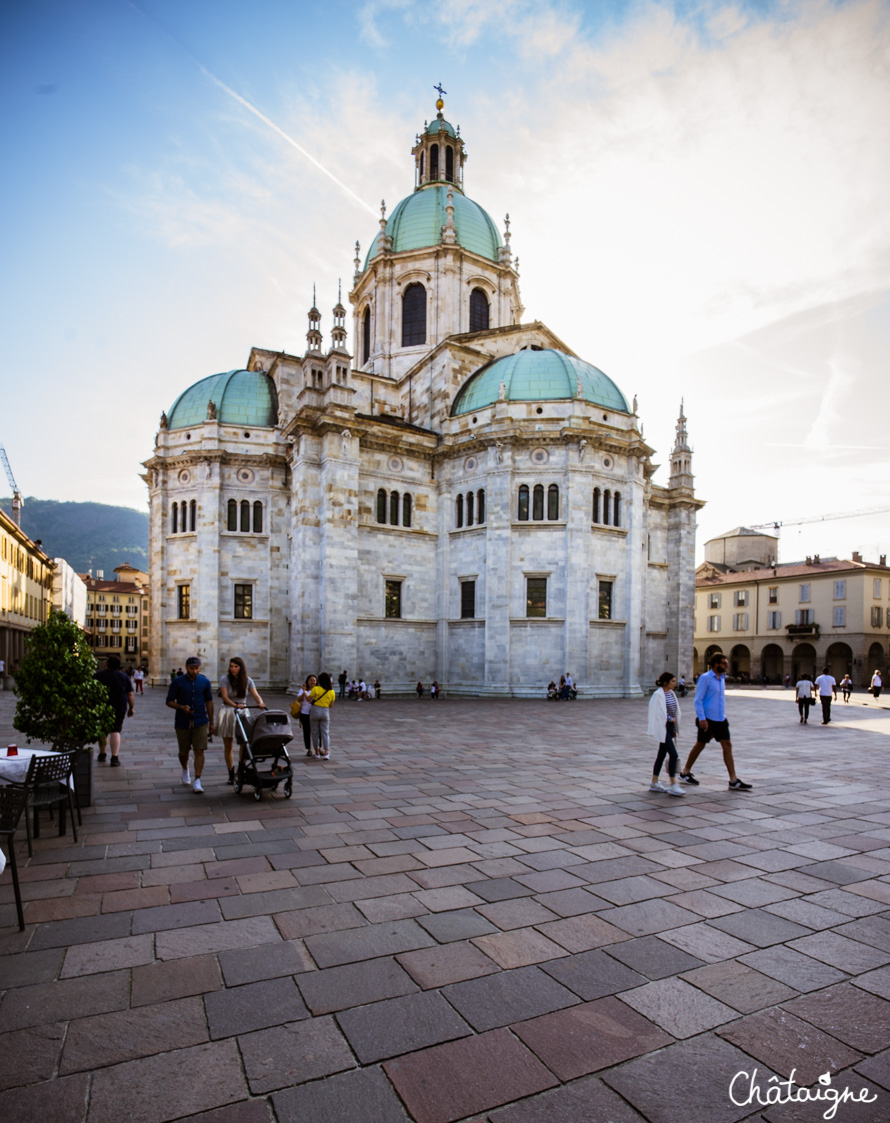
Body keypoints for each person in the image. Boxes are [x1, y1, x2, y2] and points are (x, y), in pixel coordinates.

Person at [680, 652, 752, 790]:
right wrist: (702, 718)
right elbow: (698, 699)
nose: (727, 665)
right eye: (724, 663)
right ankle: (685, 772)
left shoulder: (721, 678)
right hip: (707, 719)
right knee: (700, 745)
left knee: (727, 744)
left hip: (720, 718)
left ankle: (733, 780)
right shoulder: (706, 678)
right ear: (716, 664)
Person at [166, 657, 215, 794]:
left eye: (197, 668)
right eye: (192, 668)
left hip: (200, 720)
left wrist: (212, 723)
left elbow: (209, 702)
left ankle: (197, 780)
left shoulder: (205, 682)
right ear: (187, 667)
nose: (195, 671)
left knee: (199, 750)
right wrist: (181, 707)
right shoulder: (177, 682)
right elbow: (169, 701)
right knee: (184, 752)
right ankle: (185, 768)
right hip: (182, 721)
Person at [217, 657, 267, 784]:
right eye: (231, 666)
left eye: (236, 666)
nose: (233, 669)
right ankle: (230, 773)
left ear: (241, 668)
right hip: (228, 710)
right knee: (228, 744)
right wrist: (235, 705)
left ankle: (241, 769)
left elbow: (255, 695)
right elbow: (225, 697)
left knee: (244, 743)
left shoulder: (247, 680)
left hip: (243, 711)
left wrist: (260, 703)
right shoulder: (225, 679)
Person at [647, 672, 684, 796]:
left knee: (662, 755)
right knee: (673, 755)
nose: (675, 683)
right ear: (665, 682)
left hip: (669, 727)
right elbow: (657, 712)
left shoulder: (671, 693)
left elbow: (674, 710)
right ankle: (673, 784)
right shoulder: (658, 694)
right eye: (673, 681)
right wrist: (669, 718)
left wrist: (673, 724)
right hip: (662, 727)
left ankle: (654, 782)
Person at [95, 654, 134, 767]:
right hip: (119, 705)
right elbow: (130, 694)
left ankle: (102, 754)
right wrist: (131, 708)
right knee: (115, 731)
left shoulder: (98, 676)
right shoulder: (124, 677)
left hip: (102, 706)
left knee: (103, 730)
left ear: (106, 664)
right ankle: (114, 757)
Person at [309, 671, 336, 759]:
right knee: (325, 732)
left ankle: (317, 752)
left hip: (315, 710)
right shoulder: (332, 692)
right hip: (325, 711)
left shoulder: (316, 689)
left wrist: (305, 693)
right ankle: (326, 752)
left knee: (315, 732)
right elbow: (331, 706)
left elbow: (309, 700)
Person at [290, 674, 317, 757]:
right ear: (307, 681)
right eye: (311, 680)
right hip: (304, 713)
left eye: (314, 680)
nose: (312, 682)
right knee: (306, 731)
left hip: (315, 713)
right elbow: (299, 699)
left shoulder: (318, 690)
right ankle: (309, 749)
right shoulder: (303, 690)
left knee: (316, 731)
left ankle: (318, 748)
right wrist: (304, 691)